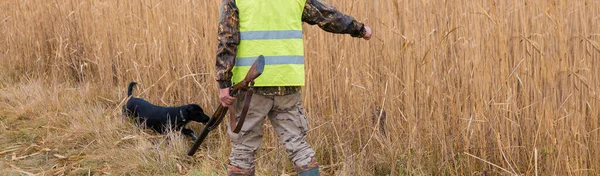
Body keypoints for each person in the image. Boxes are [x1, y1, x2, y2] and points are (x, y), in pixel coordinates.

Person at [215, 0, 372, 175]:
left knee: (243, 150)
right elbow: (328, 16)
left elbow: (226, 39)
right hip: (287, 81)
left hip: (251, 86)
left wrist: (224, 83)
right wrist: (359, 29)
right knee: (298, 146)